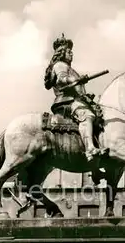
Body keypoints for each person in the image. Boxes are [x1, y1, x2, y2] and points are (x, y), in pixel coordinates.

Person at [44, 34, 103, 162]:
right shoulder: (60, 65)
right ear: (61, 53)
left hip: (74, 99)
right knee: (87, 116)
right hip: (67, 101)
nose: (71, 54)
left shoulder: (69, 67)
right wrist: (76, 79)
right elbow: (61, 78)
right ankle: (90, 149)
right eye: (69, 51)